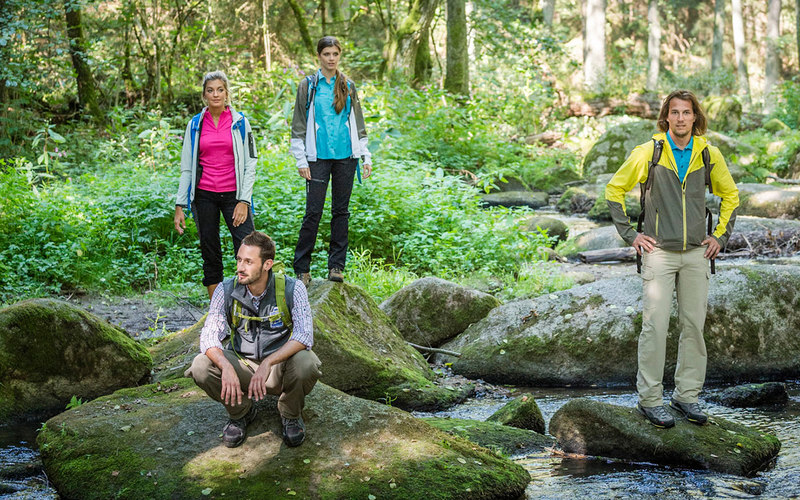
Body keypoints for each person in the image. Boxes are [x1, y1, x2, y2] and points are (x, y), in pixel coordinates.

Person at [605, 89, 739, 428]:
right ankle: (650, 400)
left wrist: (719, 236)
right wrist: (630, 234)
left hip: (696, 254)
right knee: (654, 327)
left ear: (696, 117)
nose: (681, 118)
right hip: (659, 254)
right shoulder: (649, 152)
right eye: (675, 112)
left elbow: (730, 196)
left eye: (687, 112)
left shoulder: (709, 153)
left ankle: (686, 397)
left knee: (693, 327)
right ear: (666, 117)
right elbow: (613, 189)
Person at [185, 231, 321, 448]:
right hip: (243, 366)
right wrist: (226, 367)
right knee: (201, 365)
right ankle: (242, 412)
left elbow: (304, 336)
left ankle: (290, 413)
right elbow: (209, 336)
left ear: (267, 264)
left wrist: (269, 362)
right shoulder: (225, 289)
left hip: (279, 369)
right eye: (239, 259)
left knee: (307, 362)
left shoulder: (293, 288)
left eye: (248, 261)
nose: (240, 267)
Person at [290, 36, 373, 286]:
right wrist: (300, 159)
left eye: (335, 54)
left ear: (339, 56)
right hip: (317, 159)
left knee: (341, 212)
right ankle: (302, 268)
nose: (331, 58)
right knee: (313, 212)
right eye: (326, 54)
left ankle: (336, 266)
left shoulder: (348, 85)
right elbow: (298, 125)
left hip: (346, 157)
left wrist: (365, 155)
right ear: (319, 56)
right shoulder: (309, 85)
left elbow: (358, 123)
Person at [174, 71, 258, 299]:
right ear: (204, 95)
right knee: (210, 253)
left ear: (227, 93)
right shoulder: (195, 125)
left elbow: (250, 163)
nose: (215, 94)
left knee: (248, 250)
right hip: (204, 196)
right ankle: (216, 312)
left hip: (234, 196)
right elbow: (187, 168)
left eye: (220, 89)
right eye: (210, 90)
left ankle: (249, 303)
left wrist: (243, 200)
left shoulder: (240, 123)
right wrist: (180, 204)